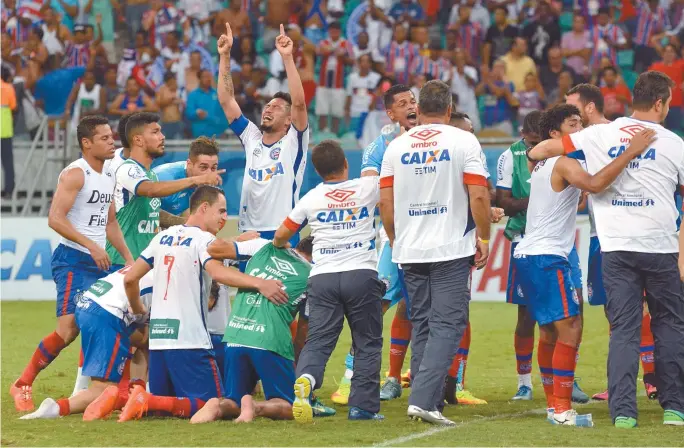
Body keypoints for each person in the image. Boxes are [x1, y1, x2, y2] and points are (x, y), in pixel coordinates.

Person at [529, 71, 684, 428]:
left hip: (615, 247)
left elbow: (542, 149)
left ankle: (625, 413)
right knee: (670, 326)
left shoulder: (599, 134)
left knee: (624, 329)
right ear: (660, 103)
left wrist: (535, 158)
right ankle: (674, 407)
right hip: (660, 246)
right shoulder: (673, 142)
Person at [515, 103, 656, 427]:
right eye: (574, 124)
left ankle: (555, 407)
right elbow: (594, 185)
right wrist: (630, 152)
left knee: (551, 332)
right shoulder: (562, 162)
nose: (582, 130)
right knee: (571, 328)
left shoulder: (547, 163)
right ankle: (563, 411)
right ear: (555, 133)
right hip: (548, 256)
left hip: (532, 254)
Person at [116, 186, 290, 421]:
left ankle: (133, 398)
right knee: (218, 406)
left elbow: (130, 278)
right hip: (190, 341)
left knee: (163, 414)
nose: (224, 217)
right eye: (221, 211)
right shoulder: (203, 239)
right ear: (204, 208)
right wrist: (261, 283)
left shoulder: (162, 237)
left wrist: (139, 310)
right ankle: (148, 398)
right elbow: (217, 273)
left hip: (158, 343)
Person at [379, 80, 491, 425]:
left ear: (418, 108)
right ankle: (425, 400)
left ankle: (427, 399)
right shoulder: (463, 140)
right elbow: (480, 195)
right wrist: (484, 237)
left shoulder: (396, 147)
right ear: (449, 108)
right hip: (450, 247)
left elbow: (385, 201)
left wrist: (396, 239)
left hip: (410, 248)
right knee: (449, 323)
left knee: (423, 322)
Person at [9, 116, 132, 412]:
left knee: (125, 316)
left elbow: (110, 221)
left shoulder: (109, 173)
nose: (111, 141)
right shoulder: (76, 174)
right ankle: (22, 384)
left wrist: (129, 260)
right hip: (73, 261)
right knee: (68, 331)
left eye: (110, 136)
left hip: (99, 261)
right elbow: (55, 218)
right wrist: (90, 246)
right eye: (103, 138)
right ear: (86, 143)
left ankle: (119, 390)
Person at [273, 140, 386, 422]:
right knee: (367, 342)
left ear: (317, 170)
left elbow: (280, 234)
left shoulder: (312, 197)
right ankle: (363, 407)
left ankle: (307, 382)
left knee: (318, 340)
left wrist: (281, 244)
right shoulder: (366, 187)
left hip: (322, 277)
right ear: (345, 163)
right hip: (360, 273)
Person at [564, 83, 658, 402]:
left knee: (643, 309)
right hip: (597, 237)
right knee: (614, 312)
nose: (569, 113)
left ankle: (652, 377)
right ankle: (624, 381)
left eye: (573, 107)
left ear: (590, 108)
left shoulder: (614, 134)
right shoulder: (585, 142)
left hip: (627, 235)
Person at [331, 84, 417, 406]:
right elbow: (369, 190)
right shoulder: (380, 146)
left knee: (414, 307)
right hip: (395, 240)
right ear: (391, 113)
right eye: (403, 103)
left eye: (414, 101)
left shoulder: (436, 140)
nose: (411, 106)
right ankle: (351, 377)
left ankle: (401, 378)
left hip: (431, 239)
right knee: (375, 305)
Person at [190, 236, 314, 424]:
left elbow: (213, 249)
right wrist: (295, 362)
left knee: (234, 399)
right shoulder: (315, 276)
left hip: (235, 334)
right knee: (290, 406)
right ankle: (257, 407)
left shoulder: (263, 246)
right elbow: (303, 330)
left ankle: (218, 406)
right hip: (270, 340)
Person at [18, 267, 154, 421]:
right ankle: (55, 408)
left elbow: (142, 338)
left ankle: (134, 391)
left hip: (89, 303)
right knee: (104, 390)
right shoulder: (166, 284)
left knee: (144, 341)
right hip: (108, 313)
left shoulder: (148, 264)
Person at [218, 23, 308, 243]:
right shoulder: (252, 137)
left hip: (282, 231)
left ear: (289, 120)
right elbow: (227, 100)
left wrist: (287, 57)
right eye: (267, 105)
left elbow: (298, 104)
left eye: (276, 107)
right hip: (248, 232)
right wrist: (225, 56)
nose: (268, 109)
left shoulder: (294, 141)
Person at [105, 112, 224, 272]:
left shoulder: (151, 174)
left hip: (144, 262)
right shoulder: (127, 169)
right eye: (155, 132)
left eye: (161, 131)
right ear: (138, 140)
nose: (162, 137)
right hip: (121, 263)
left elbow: (154, 214)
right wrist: (196, 180)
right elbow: (151, 190)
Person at [185, 69, 229, 138]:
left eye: (209, 76)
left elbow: (224, 114)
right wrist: (196, 113)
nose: (208, 79)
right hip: (200, 136)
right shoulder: (193, 95)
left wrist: (224, 129)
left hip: (217, 136)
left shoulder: (218, 94)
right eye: (205, 77)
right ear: (199, 79)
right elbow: (189, 113)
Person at [1, 65, 16, 198]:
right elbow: (13, 107)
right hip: (5, 130)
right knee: (7, 161)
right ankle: (8, 190)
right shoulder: (8, 88)